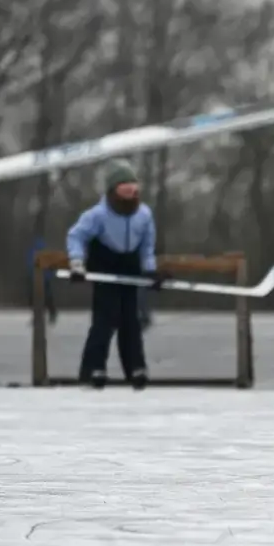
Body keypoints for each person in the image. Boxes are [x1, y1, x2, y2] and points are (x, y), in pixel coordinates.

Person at [66, 159, 163, 390]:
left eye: (133, 187)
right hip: (105, 267)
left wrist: (150, 269)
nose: (130, 192)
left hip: (130, 268)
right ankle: (93, 369)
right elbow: (75, 236)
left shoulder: (144, 215)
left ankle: (135, 368)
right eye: (124, 187)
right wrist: (77, 263)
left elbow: (147, 246)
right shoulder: (97, 215)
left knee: (131, 321)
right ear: (112, 190)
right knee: (104, 320)